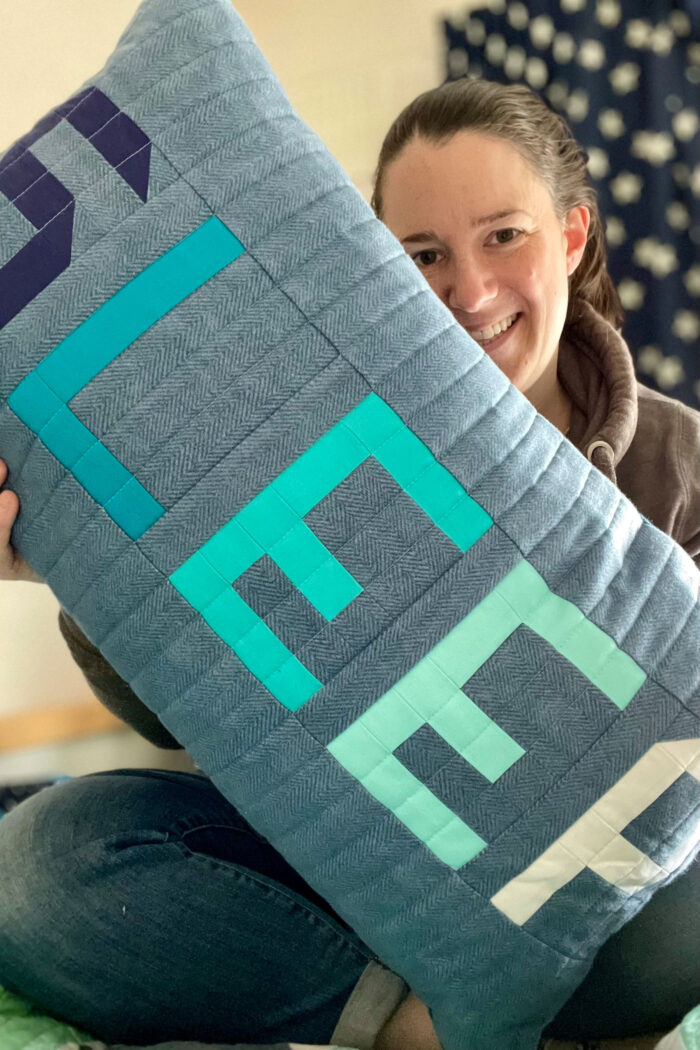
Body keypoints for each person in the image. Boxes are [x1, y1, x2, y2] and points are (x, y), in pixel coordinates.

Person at [0, 75, 699, 1050]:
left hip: (580, 903)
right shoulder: (303, 437)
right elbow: (169, 715)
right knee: (36, 861)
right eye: (423, 254)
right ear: (374, 264)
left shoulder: (680, 459)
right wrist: (68, 563)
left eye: (505, 235)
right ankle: (394, 1025)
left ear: (572, 237)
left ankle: (483, 1006)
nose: (471, 290)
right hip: (339, 879)